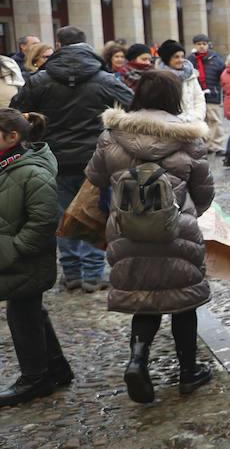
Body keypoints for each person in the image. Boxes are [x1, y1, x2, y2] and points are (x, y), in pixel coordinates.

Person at [84, 70, 215, 404]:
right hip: (175, 228)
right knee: (183, 300)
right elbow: (203, 190)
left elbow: (96, 177)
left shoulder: (112, 134)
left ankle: (137, 359)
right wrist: (190, 214)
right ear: (173, 97)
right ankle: (189, 372)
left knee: (145, 296)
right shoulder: (188, 136)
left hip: (128, 227)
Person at [12, 25, 133, 292]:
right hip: (96, 158)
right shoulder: (105, 78)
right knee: (94, 212)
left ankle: (72, 272)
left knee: (62, 215)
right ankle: (92, 273)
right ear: (85, 44)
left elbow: (16, 112)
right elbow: (132, 106)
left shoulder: (40, 80)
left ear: (58, 46)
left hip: (52, 157)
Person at [0, 109, 71, 407]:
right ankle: (55, 368)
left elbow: (43, 222)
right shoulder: (10, 164)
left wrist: (13, 249)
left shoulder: (31, 170)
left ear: (12, 137)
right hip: (17, 257)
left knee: (22, 314)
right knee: (29, 310)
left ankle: (35, 378)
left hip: (25, 258)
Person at [157, 40, 207, 127]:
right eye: (176, 57)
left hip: (192, 125)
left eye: (182, 56)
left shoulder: (190, 75)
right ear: (167, 58)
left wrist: (195, 118)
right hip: (170, 127)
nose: (180, 60)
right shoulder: (158, 78)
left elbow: (199, 100)